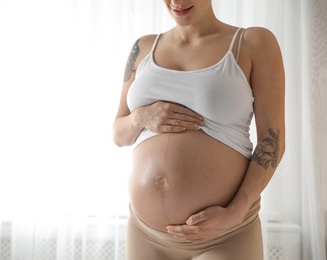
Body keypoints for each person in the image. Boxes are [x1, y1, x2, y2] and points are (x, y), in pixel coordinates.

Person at [112, 0, 285, 259]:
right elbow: (118, 133)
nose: (177, 2)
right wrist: (140, 117)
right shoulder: (143, 47)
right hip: (146, 234)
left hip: (224, 236)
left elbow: (272, 141)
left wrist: (234, 213)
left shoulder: (253, 43)